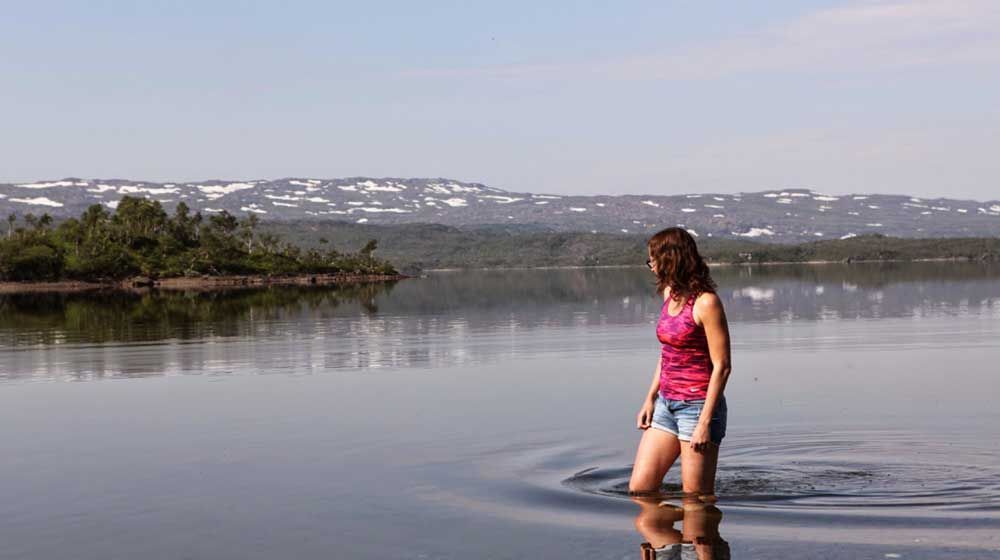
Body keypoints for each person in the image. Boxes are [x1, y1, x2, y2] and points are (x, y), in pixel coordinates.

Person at [628, 227, 732, 500]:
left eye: (653, 259)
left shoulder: (706, 303)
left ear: (671, 258)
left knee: (696, 501)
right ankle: (670, 543)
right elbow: (668, 353)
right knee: (640, 491)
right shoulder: (669, 295)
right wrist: (650, 398)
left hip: (697, 407)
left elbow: (722, 366)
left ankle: (699, 542)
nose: (650, 265)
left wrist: (704, 423)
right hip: (665, 404)